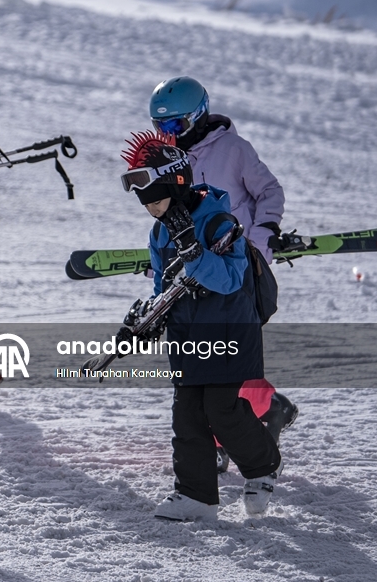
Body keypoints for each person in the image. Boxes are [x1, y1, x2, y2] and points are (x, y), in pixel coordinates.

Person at [120, 131, 283, 520]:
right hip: (187, 338)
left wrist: (194, 252)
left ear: (176, 187)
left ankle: (264, 465)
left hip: (229, 331)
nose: (153, 210)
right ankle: (196, 495)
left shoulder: (218, 223)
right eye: (147, 205)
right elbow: (164, 286)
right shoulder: (160, 232)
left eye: (157, 201)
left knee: (221, 409)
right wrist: (148, 320)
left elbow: (229, 280)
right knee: (187, 414)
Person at [149, 77, 298, 473]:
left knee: (233, 366)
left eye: (175, 126)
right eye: (160, 127)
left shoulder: (234, 150)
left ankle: (264, 414)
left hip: (237, 271)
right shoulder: (167, 156)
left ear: (197, 116)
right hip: (193, 278)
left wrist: (264, 232)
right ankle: (218, 437)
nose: (168, 135)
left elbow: (270, 192)